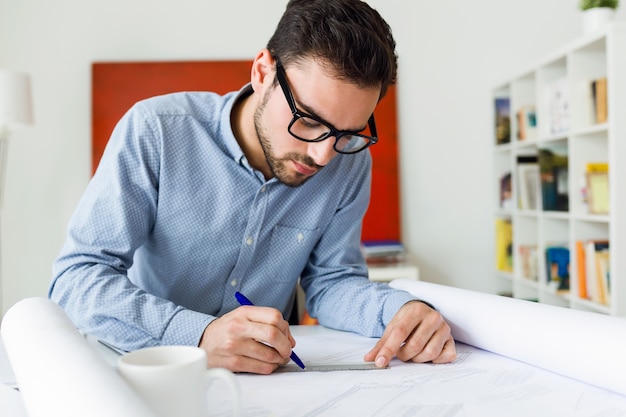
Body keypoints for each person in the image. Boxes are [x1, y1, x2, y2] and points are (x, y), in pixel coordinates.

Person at [50, 0, 456, 374]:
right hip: (149, 372)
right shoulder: (155, 130)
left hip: (264, 386)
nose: (323, 156)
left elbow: (332, 283)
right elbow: (76, 278)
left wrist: (399, 310)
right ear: (262, 72)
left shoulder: (349, 163)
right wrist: (197, 335)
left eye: (347, 133)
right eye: (309, 121)